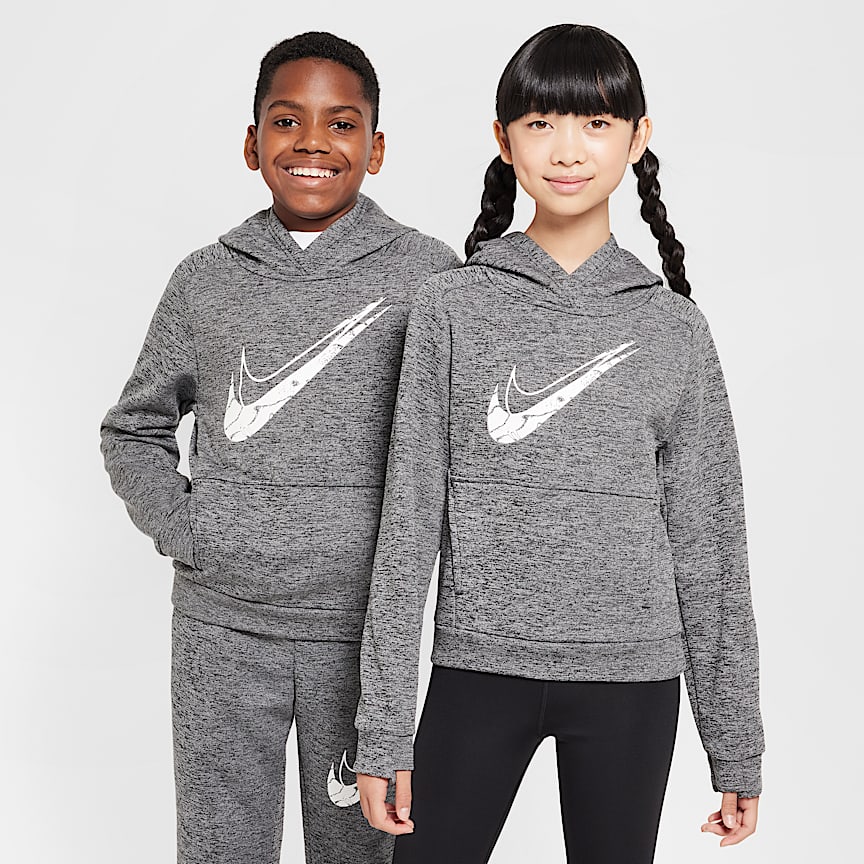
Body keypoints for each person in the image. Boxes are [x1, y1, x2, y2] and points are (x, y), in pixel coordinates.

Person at [352, 23, 765, 864]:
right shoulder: (452, 308)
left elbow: (710, 547)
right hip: (478, 671)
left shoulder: (674, 330)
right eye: (541, 123)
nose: (568, 149)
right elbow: (405, 528)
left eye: (596, 123)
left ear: (638, 138)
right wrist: (383, 727)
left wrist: (736, 744)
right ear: (504, 140)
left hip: (633, 685)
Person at [99, 31, 460, 864]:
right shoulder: (205, 279)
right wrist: (193, 531)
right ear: (252, 141)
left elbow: (456, 451)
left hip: (362, 635)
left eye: (341, 124)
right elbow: (134, 428)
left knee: (362, 851)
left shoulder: (428, 276)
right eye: (288, 120)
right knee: (220, 849)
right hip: (220, 629)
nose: (312, 142)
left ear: (376, 149)